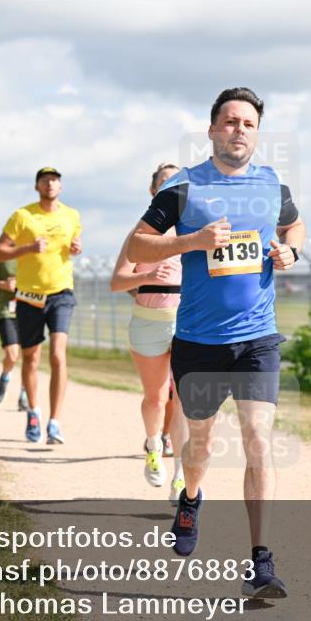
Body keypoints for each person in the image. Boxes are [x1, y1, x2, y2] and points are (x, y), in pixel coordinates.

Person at [127, 88, 305, 599]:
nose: (238, 130)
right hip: (199, 341)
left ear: (257, 133)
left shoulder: (273, 185)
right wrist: (191, 241)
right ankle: (191, 496)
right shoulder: (183, 188)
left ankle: (262, 560)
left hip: (257, 339)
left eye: (248, 124)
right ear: (211, 130)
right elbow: (138, 244)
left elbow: (296, 226)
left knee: (257, 440)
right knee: (200, 446)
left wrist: (290, 252)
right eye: (229, 122)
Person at [111, 163, 187, 503]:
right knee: (157, 398)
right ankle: (154, 445)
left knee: (185, 401)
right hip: (149, 322)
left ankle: (182, 477)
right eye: (165, 181)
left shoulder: (194, 231)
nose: (172, 186)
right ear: (153, 191)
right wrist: (148, 277)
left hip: (188, 322)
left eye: (178, 181)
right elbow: (117, 282)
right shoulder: (139, 235)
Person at [0, 166, 81, 443]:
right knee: (30, 358)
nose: (50, 184)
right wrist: (26, 249)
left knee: (57, 354)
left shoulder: (72, 216)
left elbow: (74, 246)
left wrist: (77, 249)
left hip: (61, 292)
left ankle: (55, 421)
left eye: (54, 180)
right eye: (44, 180)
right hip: (29, 296)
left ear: (60, 187)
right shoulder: (22, 216)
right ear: (37, 186)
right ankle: (33, 411)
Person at [0, 258, 29, 411]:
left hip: (31, 309)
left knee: (29, 358)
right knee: (13, 356)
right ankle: (5, 376)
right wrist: (3, 284)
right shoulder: (2, 253)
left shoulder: (34, 250)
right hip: (8, 311)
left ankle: (24, 395)